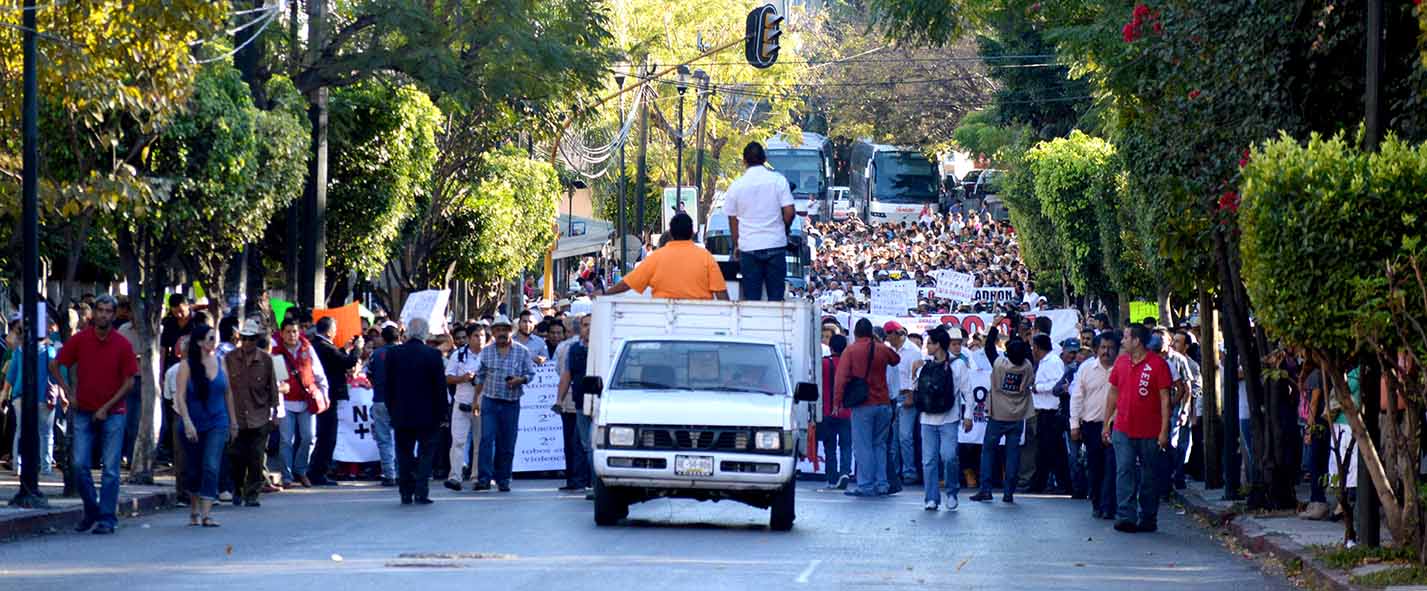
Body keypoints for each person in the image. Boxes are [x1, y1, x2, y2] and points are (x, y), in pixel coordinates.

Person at [51, 295, 138, 535]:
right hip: (84, 409)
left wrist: (106, 407)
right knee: (79, 464)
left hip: (114, 412)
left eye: (108, 311)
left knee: (110, 468)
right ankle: (92, 509)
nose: (103, 315)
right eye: (100, 310)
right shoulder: (81, 339)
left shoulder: (122, 344)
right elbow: (55, 365)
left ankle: (107, 518)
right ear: (94, 313)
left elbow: (130, 382)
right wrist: (67, 392)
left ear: (114, 314)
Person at [1103, 324, 1172, 533]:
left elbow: (1165, 398)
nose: (1122, 341)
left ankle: (1148, 517)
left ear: (1137, 341)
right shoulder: (1121, 362)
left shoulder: (1158, 364)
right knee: (1124, 469)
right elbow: (1113, 393)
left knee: (1149, 474)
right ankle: (1126, 516)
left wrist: (1164, 431)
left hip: (1150, 431)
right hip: (1122, 428)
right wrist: (1106, 423)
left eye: (1126, 337)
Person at [174, 325, 237, 527]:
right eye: (210, 338)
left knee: (211, 465)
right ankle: (194, 509)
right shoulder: (187, 365)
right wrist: (187, 421)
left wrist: (233, 421)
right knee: (194, 469)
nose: (214, 341)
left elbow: (228, 393)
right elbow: (180, 397)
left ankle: (207, 514)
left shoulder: (220, 361)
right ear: (200, 342)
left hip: (218, 422)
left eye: (215, 337)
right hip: (193, 422)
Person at [833, 318, 901, 497]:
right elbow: (896, 359)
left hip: (862, 404)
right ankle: (882, 483)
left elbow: (841, 378)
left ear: (855, 333)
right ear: (871, 333)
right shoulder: (881, 349)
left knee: (863, 446)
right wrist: (878, 343)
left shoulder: (851, 350)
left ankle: (865, 485)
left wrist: (837, 402)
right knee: (880, 445)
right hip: (883, 402)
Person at [383, 318, 447, 505]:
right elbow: (440, 388)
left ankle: (405, 492)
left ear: (408, 332)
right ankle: (421, 491)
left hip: (402, 412)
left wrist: (392, 409)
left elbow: (388, 386)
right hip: (428, 414)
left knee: (404, 453)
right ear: (425, 333)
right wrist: (443, 413)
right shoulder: (433, 355)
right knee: (426, 453)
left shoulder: (394, 354)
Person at [723, 142, 795, 301]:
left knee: (752, 300)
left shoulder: (736, 186)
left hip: (749, 247)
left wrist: (737, 244)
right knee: (776, 299)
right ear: (764, 159)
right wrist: (783, 228)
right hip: (775, 244)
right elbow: (789, 212)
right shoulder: (778, 181)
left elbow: (733, 219)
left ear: (744, 161)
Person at [474, 314, 537, 492]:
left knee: (507, 442)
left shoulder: (522, 351)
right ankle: (484, 479)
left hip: (511, 402)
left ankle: (504, 479)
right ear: (493, 332)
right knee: (486, 440)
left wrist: (520, 380)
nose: (501, 333)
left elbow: (531, 374)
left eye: (505, 330)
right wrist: (475, 400)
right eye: (498, 330)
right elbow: (480, 376)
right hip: (490, 401)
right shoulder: (486, 351)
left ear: (511, 331)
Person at [601, 213, 729, 301]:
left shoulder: (656, 257)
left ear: (671, 233)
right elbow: (721, 293)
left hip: (663, 319)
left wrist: (605, 294)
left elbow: (627, 283)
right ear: (691, 233)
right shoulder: (706, 257)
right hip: (700, 321)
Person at [970, 339, 1034, 504]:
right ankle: (1009, 492)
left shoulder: (999, 364)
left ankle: (985, 489)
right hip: (1018, 414)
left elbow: (989, 348)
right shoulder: (1027, 366)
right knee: (1012, 454)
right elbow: (1028, 355)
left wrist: (994, 328)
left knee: (988, 452)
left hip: (998, 414)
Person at [225, 318, 280, 508]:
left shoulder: (266, 360)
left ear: (257, 339)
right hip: (237, 416)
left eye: (251, 338)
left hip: (259, 415)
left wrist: (276, 412)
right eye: (244, 338)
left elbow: (272, 387)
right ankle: (237, 489)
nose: (247, 342)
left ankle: (252, 494)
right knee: (237, 457)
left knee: (256, 457)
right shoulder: (230, 358)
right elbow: (226, 388)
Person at [272, 317, 329, 488]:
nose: (292, 335)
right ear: (282, 333)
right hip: (286, 403)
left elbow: (319, 374)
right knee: (286, 441)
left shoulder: (307, 348)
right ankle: (287, 476)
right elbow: (280, 381)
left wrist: (324, 394)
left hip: (307, 401)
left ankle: (301, 470)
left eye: (295, 331)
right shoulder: (277, 352)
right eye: (288, 332)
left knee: (309, 437)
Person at [916, 327, 968, 511]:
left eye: (930, 343)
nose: (927, 347)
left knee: (949, 456)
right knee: (928, 460)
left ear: (938, 345)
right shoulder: (925, 366)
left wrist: (968, 416)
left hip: (949, 419)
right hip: (927, 419)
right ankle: (931, 497)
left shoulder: (958, 365)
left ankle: (951, 492)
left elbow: (967, 391)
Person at [2, 318, 61, 475]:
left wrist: (4, 394)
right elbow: (55, 372)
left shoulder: (20, 351)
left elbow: (11, 374)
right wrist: (62, 392)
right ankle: (46, 468)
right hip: (43, 396)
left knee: (20, 431)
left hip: (20, 396)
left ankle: (18, 465)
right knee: (45, 433)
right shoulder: (49, 350)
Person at [1071, 332, 1119, 519]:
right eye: (1103, 347)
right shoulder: (1086, 369)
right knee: (1095, 467)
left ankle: (1109, 506)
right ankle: (1097, 502)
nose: (1106, 352)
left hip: (1115, 426)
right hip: (1091, 426)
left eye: (1110, 348)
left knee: (1112, 466)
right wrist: (1074, 424)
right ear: (1097, 349)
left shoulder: (1121, 368)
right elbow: (1077, 397)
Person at [308, 317, 358, 486]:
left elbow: (337, 360)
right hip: (328, 395)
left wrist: (345, 349)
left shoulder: (317, 345)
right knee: (328, 436)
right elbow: (347, 362)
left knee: (324, 434)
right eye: (335, 329)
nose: (336, 332)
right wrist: (357, 349)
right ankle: (319, 472)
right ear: (329, 331)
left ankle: (316, 470)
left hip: (323, 395)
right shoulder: (325, 347)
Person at [1028, 334, 1070, 495]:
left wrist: (1038, 388)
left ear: (1038, 347)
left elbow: (1058, 384)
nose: (1032, 350)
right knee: (1049, 450)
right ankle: (1048, 483)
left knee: (1051, 451)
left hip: (1052, 412)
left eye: (1033, 347)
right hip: (1044, 412)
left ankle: (1053, 483)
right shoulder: (1044, 362)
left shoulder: (1053, 362)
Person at [444, 321, 483, 492]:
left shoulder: (489, 355)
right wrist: (463, 378)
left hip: (481, 404)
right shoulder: (458, 355)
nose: (480, 339)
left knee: (480, 443)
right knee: (458, 441)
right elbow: (448, 378)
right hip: (462, 403)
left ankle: (477, 477)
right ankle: (455, 476)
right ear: (468, 338)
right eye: (476, 336)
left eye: (482, 336)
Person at [556, 315, 592, 494]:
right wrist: (559, 400)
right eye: (585, 325)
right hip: (580, 403)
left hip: (602, 405)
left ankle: (593, 482)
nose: (588, 328)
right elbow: (566, 375)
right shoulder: (574, 349)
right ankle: (580, 480)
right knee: (581, 443)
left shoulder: (606, 347)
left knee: (593, 445)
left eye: (592, 325)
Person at [884, 321, 923, 485]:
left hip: (907, 395)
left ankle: (909, 472)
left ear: (895, 334)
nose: (887, 339)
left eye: (889, 335)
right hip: (893, 397)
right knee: (893, 438)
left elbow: (916, 375)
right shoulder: (889, 349)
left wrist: (911, 395)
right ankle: (894, 472)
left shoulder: (913, 351)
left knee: (905, 437)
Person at [367, 324, 401, 487]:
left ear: (384, 338)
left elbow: (369, 375)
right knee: (402, 438)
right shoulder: (404, 353)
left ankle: (389, 474)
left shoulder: (376, 354)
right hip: (400, 401)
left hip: (380, 399)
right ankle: (402, 472)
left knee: (384, 439)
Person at [819, 335, 853, 490]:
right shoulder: (850, 365)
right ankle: (845, 472)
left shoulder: (824, 363)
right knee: (846, 445)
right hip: (847, 412)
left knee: (830, 446)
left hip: (827, 411)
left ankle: (832, 478)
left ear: (830, 347)